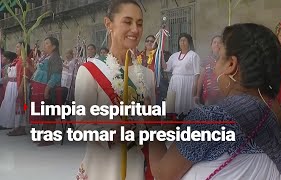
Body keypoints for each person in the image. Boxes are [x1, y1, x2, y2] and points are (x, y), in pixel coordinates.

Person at [149, 23, 281, 180]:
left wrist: (153, 130)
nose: (215, 67)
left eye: (220, 58)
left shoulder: (210, 119)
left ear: (231, 65)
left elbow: (162, 174)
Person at [75, 0, 155, 179]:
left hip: (136, 166)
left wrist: (153, 123)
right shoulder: (89, 70)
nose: (135, 29)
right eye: (127, 22)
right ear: (108, 24)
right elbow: (81, 126)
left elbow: (152, 126)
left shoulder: (147, 76)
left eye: (139, 24)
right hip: (102, 168)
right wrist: (111, 134)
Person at [30, 37, 63, 146]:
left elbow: (56, 75)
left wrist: (47, 89)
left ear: (54, 46)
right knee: (44, 112)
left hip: (48, 88)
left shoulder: (55, 58)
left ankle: (49, 137)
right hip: (40, 87)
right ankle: (44, 134)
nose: (45, 45)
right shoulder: (47, 57)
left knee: (49, 112)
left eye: (47, 43)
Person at [162, 33, 200, 115]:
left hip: (188, 83)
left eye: (184, 40)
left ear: (189, 42)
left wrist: (195, 87)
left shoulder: (193, 55)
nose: (182, 42)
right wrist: (160, 55)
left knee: (185, 106)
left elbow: (197, 73)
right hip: (175, 83)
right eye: (180, 40)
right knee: (173, 105)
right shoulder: (174, 56)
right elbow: (166, 67)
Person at [7, 41, 33, 136]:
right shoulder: (19, 59)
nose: (16, 49)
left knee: (24, 106)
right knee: (19, 106)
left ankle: (23, 126)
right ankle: (18, 126)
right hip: (19, 85)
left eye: (18, 47)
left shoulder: (26, 60)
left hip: (24, 85)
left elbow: (26, 75)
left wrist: (22, 87)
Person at [195, 35, 222, 105]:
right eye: (214, 42)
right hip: (208, 96)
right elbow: (201, 78)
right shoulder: (206, 60)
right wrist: (197, 95)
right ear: (211, 45)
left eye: (219, 42)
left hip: (223, 96)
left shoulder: (226, 61)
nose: (217, 44)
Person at [0, 51, 18, 130]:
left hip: (10, 86)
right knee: (7, 104)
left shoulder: (9, 66)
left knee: (10, 104)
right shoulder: (7, 66)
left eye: (3, 57)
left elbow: (7, 77)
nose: (2, 58)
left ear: (8, 59)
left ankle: (9, 122)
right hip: (7, 87)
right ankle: (6, 122)